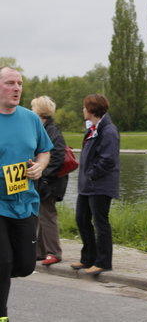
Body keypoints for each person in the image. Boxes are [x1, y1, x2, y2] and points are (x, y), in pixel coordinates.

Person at [0, 66, 53, 321]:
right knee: (4, 262)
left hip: (24, 200)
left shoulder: (30, 118)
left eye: (19, 83)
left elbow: (45, 150)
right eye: (10, 82)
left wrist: (40, 166)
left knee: (24, 265)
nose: (17, 88)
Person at [71, 94, 120, 275]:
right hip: (87, 185)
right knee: (81, 219)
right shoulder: (93, 128)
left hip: (100, 185)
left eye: (84, 107)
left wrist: (91, 175)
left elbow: (108, 160)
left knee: (101, 223)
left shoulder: (108, 131)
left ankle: (103, 262)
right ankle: (88, 258)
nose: (82, 110)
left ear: (92, 110)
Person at [31, 96, 69, 266]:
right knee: (39, 215)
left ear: (39, 112)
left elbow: (58, 157)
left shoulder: (52, 131)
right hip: (42, 180)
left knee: (47, 216)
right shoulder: (44, 129)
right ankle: (40, 252)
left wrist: (43, 176)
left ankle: (54, 252)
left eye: (33, 109)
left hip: (49, 183)